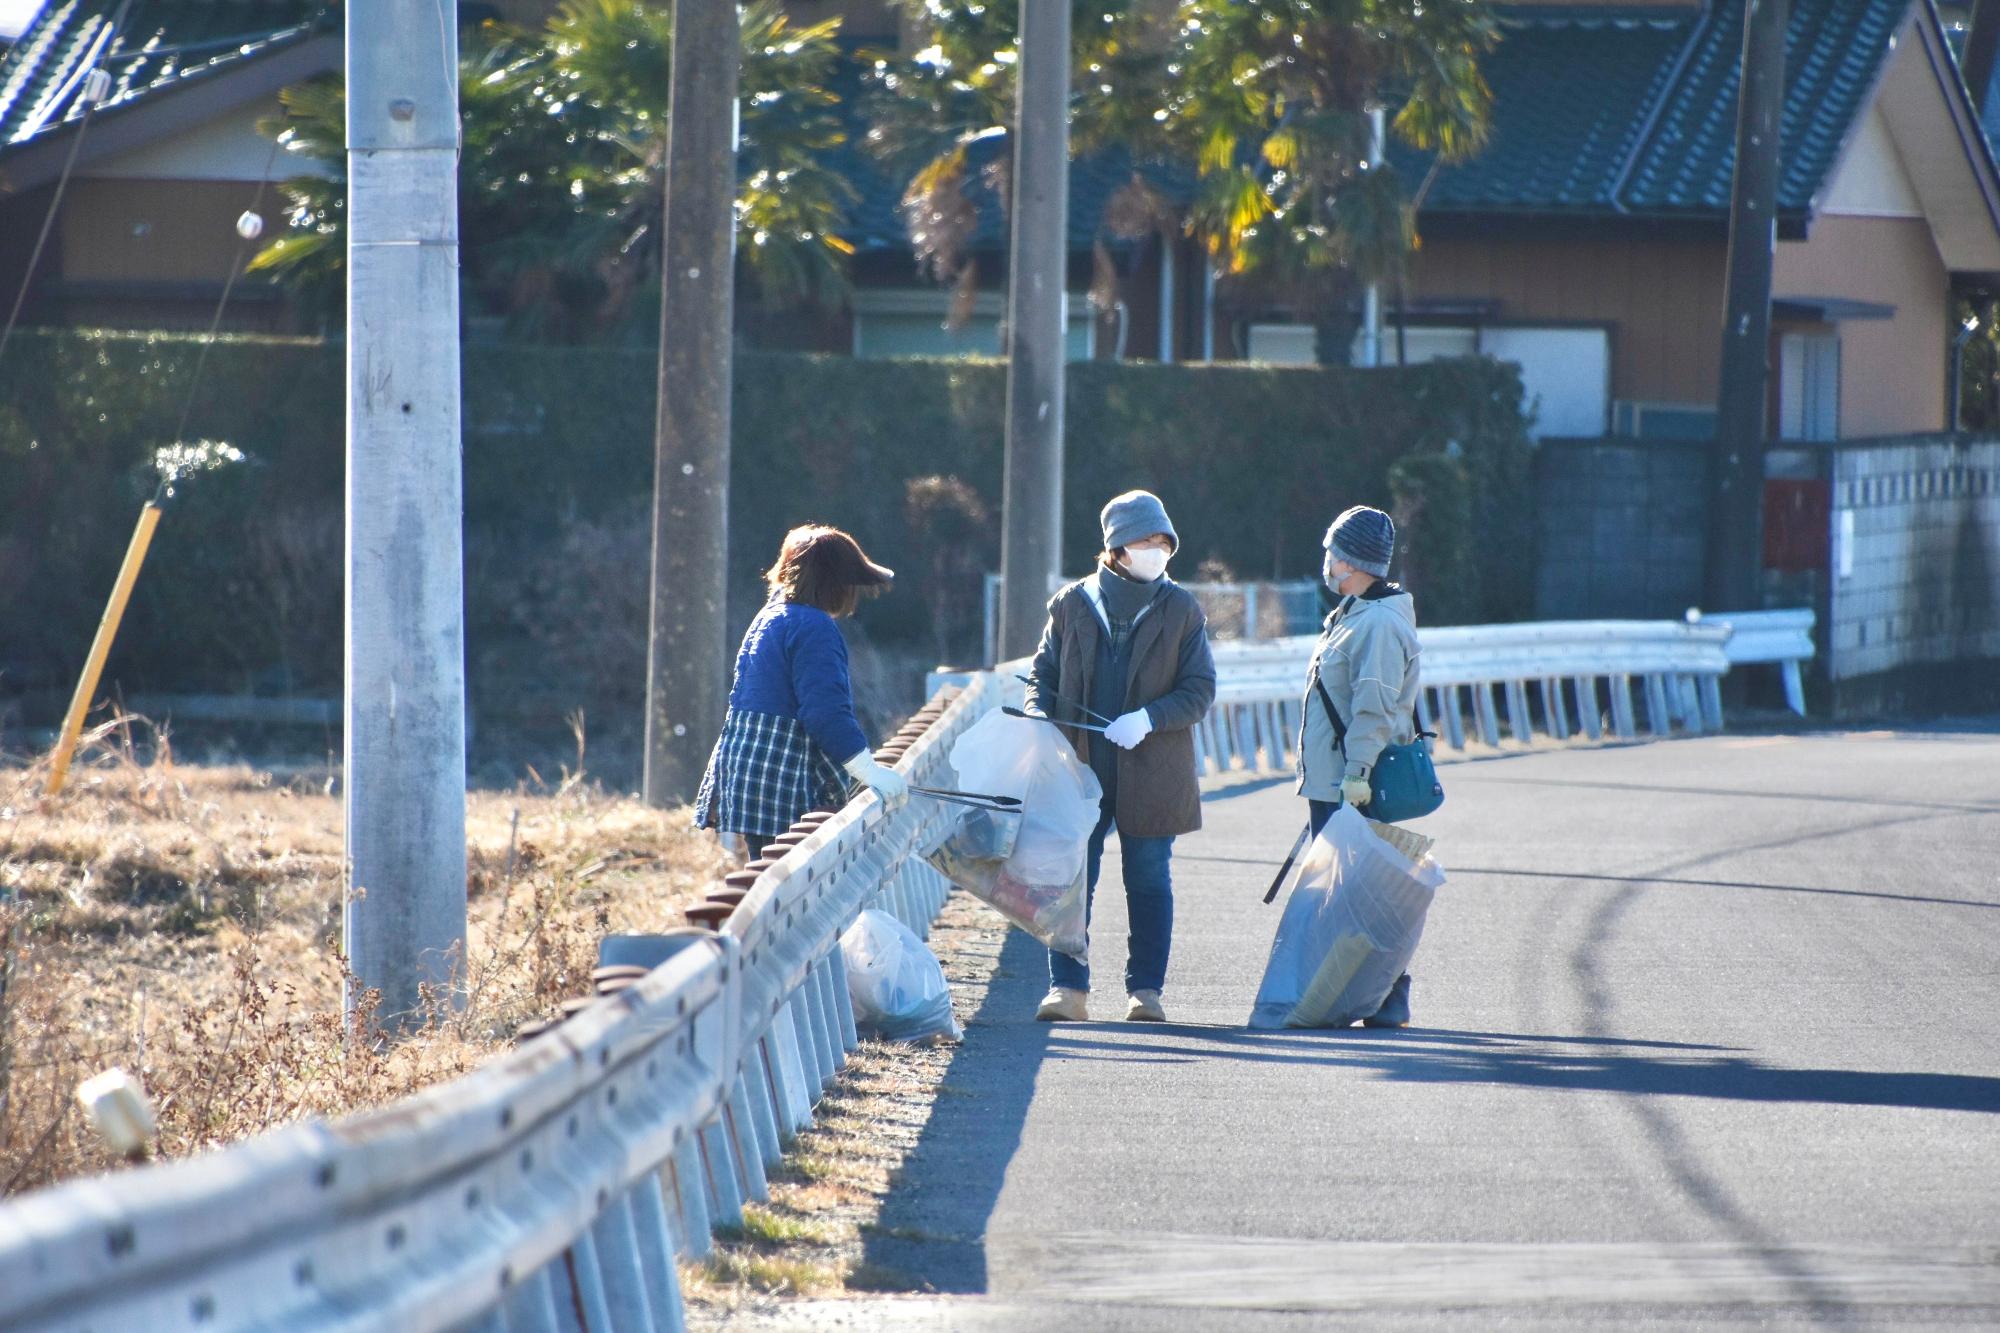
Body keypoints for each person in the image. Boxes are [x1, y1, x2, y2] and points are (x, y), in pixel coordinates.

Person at [1026, 490, 1216, 1023]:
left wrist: (1150, 718)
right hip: (1078, 767)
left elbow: (1199, 689)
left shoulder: (1181, 609)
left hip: (1154, 770)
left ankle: (1146, 991)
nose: (1157, 550)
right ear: (1116, 548)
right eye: (1145, 540)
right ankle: (1067, 989)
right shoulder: (1072, 604)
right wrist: (1038, 714)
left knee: (1149, 879)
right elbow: (1042, 675)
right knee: (1071, 880)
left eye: (1164, 542)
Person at [695, 525, 909, 860]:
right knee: (789, 872)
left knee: (768, 873)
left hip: (747, 771)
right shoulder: (815, 626)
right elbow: (826, 713)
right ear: (835, 584)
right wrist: (869, 772)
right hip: (782, 776)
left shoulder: (771, 616)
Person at [1298, 504, 1424, 1027]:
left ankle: (1388, 994)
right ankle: (1354, 995)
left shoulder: (1376, 623)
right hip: (1334, 780)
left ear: (1351, 562)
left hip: (1352, 782)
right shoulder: (1354, 614)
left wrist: (1356, 772)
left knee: (1360, 893)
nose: (1326, 561)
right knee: (1346, 894)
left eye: (1333, 552)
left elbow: (1374, 706)